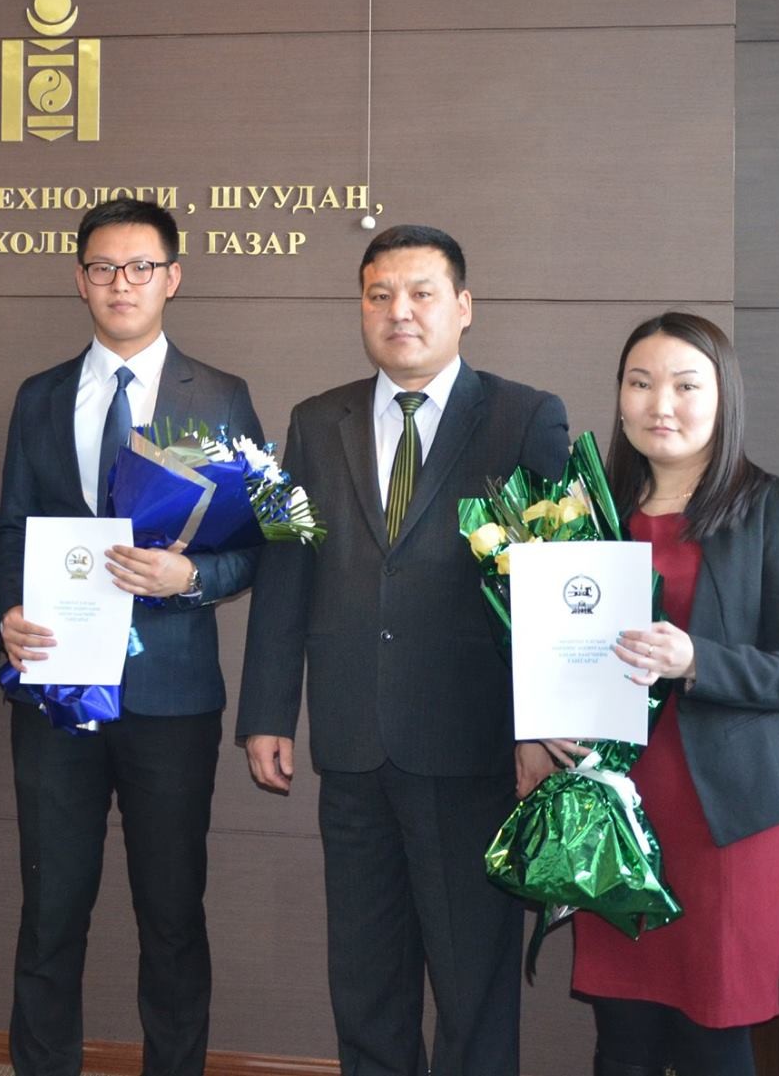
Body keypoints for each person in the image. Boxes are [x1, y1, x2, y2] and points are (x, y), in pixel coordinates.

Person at [235, 224, 569, 1076]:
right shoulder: (314, 420)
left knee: (472, 987)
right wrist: (267, 712)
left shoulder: (526, 417)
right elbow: (285, 567)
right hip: (352, 747)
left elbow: (554, 585)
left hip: (473, 750)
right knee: (365, 982)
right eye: (379, 294)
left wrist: (541, 725)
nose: (400, 311)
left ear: (464, 306)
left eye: (421, 292)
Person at [0, 197, 264, 1076]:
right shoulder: (39, 395)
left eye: (140, 266)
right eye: (104, 267)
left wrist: (191, 577)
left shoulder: (219, 395)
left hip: (171, 699)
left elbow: (259, 544)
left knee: (172, 915)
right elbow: (12, 530)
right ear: (80, 280)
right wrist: (8, 613)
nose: (122, 283)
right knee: (49, 913)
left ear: (171, 277)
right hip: (56, 690)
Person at [555, 311, 779, 1076]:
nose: (661, 404)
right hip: (615, 811)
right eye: (640, 383)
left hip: (727, 823)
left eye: (685, 385)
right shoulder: (587, 514)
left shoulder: (773, 506)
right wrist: (544, 726)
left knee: (714, 1035)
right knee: (623, 1038)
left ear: (723, 397)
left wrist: (696, 659)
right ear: (620, 398)